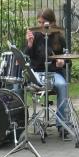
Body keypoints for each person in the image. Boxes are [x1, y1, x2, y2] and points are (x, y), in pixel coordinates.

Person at [25, 8, 70, 136]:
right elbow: (26, 57)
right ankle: (21, 122)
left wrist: (62, 62)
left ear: (52, 23)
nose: (41, 26)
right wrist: (29, 44)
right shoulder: (35, 36)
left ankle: (62, 125)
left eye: (44, 23)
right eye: (39, 22)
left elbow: (68, 59)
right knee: (22, 84)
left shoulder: (59, 38)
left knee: (63, 85)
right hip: (37, 73)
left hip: (54, 74)